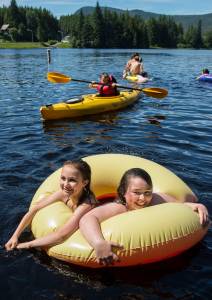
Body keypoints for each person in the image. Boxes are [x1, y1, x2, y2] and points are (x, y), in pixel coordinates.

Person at [79, 168, 209, 266]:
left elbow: (179, 207)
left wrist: (195, 206)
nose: (143, 198)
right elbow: (87, 219)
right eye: (136, 193)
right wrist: (98, 243)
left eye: (147, 193)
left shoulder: (156, 199)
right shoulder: (119, 207)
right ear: (123, 192)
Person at [5, 159, 97, 251]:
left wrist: (27, 245)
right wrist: (15, 236)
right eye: (63, 178)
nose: (66, 184)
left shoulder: (87, 204)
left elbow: (62, 235)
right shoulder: (64, 193)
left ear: (84, 183)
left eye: (72, 180)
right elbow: (35, 209)